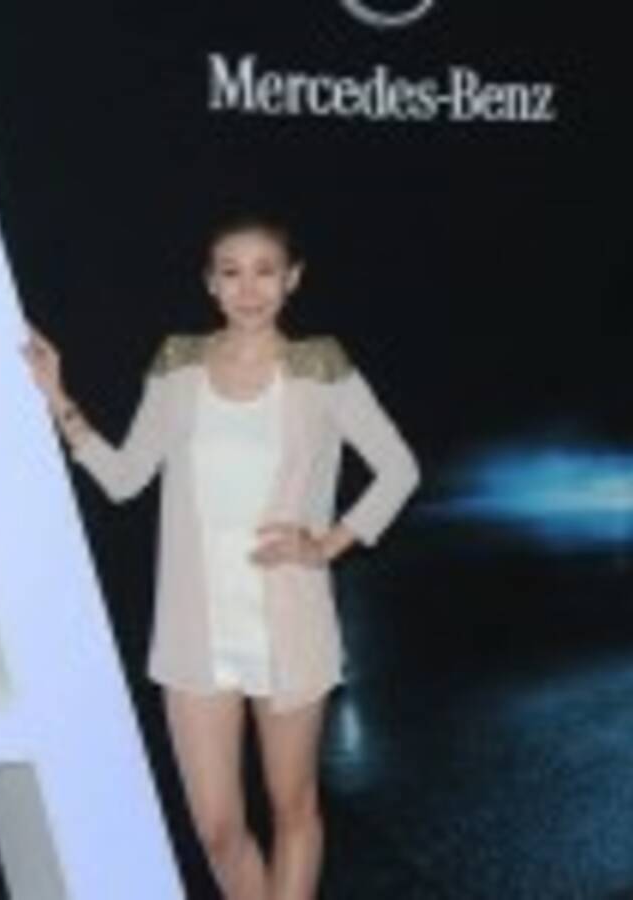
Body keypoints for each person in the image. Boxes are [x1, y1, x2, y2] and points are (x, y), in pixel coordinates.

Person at [21, 212, 420, 900]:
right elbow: (125, 480)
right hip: (196, 634)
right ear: (210, 283)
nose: (249, 288)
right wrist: (60, 400)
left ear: (292, 279)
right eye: (231, 272)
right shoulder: (178, 364)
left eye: (266, 271)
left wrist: (326, 543)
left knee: (293, 810)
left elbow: (399, 469)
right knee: (216, 828)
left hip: (289, 625)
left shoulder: (320, 366)